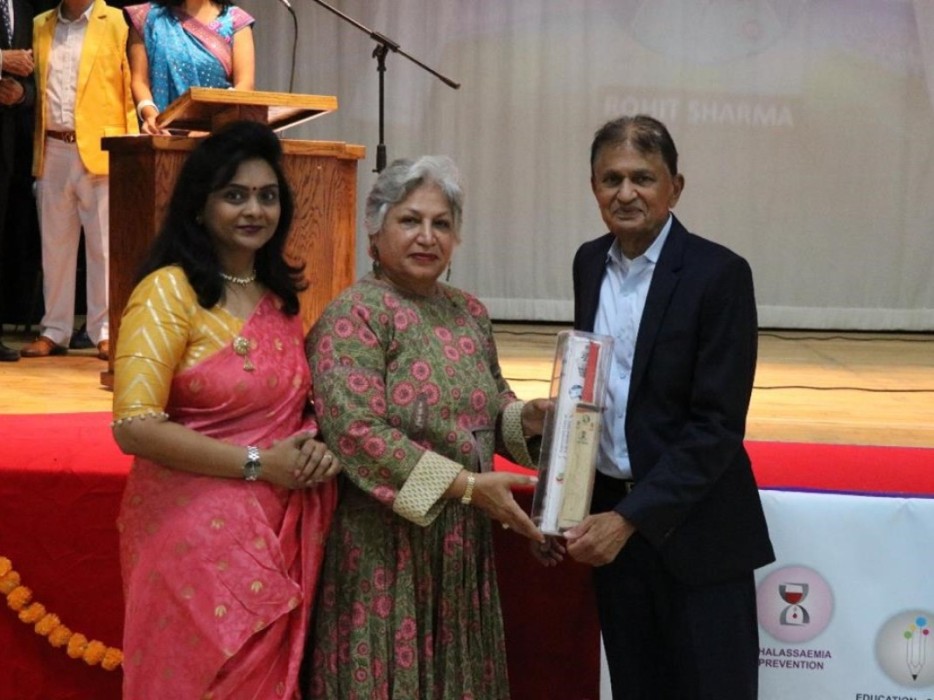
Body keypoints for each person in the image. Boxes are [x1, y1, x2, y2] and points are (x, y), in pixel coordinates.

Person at [537, 115, 775, 700]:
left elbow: (716, 427)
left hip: (696, 538)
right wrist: (560, 508)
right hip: (615, 536)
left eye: (642, 178)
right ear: (593, 187)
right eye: (610, 179)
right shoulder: (588, 262)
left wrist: (630, 518)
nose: (625, 194)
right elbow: (591, 400)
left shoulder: (719, 274)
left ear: (675, 187)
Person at [302, 156, 549, 699]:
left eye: (442, 224)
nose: (427, 236)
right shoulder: (354, 315)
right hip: (384, 555)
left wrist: (527, 417)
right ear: (375, 231)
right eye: (410, 220)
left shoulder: (468, 312)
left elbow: (490, 412)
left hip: (462, 550)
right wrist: (465, 486)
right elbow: (357, 434)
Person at [112, 120, 339, 699]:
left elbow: (295, 405)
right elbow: (134, 426)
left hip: (277, 529)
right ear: (200, 204)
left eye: (267, 196)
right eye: (235, 195)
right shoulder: (168, 291)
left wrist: (314, 446)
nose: (254, 210)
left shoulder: (278, 299)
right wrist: (260, 463)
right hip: (191, 535)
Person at [20, 0, 137, 360]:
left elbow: (129, 92)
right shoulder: (41, 24)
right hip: (53, 145)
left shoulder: (116, 21)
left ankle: (104, 331)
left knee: (103, 246)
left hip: (102, 147)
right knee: (54, 246)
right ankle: (54, 330)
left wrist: (130, 151)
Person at [124, 0, 255, 135]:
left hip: (218, 138)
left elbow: (244, 85)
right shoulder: (147, 18)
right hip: (162, 136)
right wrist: (152, 117)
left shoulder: (235, 21)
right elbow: (139, 81)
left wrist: (215, 127)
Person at [0, 0, 35, 361]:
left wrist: (22, 95)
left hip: (6, 146)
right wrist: (1, 60)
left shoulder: (23, 8)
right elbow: (9, 60)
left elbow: (34, 80)